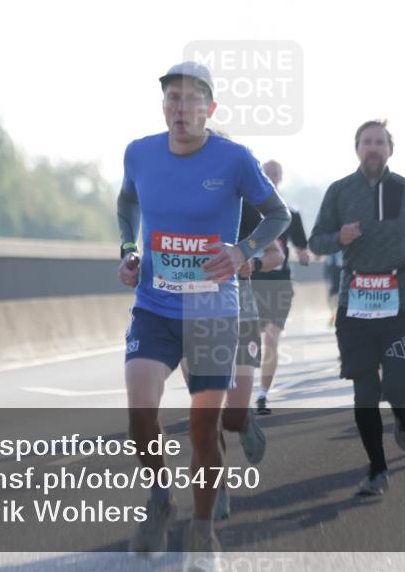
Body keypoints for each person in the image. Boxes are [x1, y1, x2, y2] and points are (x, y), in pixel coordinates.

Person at [116, 61, 289, 566]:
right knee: (140, 413)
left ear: (210, 109)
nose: (181, 109)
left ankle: (203, 529)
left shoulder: (235, 158)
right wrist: (129, 248)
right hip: (155, 305)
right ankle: (161, 498)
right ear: (164, 106)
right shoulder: (139, 152)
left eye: (193, 100)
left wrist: (241, 252)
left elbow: (277, 214)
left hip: (213, 309)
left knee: (202, 428)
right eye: (173, 98)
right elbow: (126, 201)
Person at [309, 119, 405, 497]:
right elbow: (316, 241)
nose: (372, 148)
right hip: (355, 306)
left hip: (398, 303)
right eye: (366, 142)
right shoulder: (340, 191)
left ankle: (401, 413)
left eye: (379, 142)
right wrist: (339, 237)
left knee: (398, 388)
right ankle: (377, 469)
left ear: (389, 150)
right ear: (357, 149)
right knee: (364, 392)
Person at [211, 199, 284, 520]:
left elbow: (277, 254)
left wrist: (251, 264)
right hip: (194, 314)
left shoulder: (245, 208)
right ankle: (217, 490)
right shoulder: (179, 205)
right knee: (206, 410)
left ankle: (242, 420)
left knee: (233, 412)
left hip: (241, 310)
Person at [252, 160, 311, 415]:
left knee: (272, 338)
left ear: (281, 177)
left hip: (280, 283)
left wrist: (305, 254)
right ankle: (235, 389)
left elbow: (301, 245)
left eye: (275, 173)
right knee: (245, 340)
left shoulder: (290, 212)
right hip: (252, 280)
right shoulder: (249, 210)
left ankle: (263, 395)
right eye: (267, 172)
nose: (271, 176)